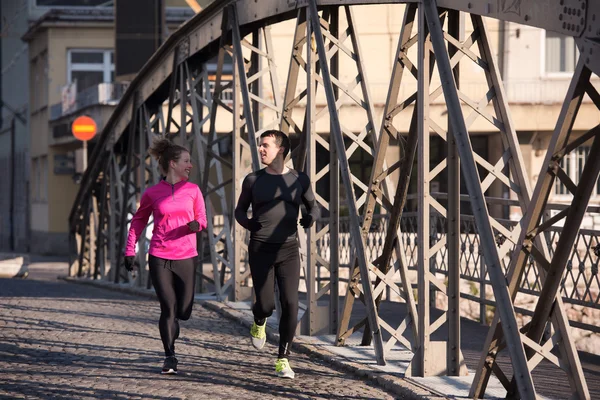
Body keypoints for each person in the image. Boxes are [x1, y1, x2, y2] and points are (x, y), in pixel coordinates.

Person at [234, 129, 319, 379]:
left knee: (291, 304)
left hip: (289, 249)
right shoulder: (253, 180)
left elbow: (314, 207)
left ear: (281, 149)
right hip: (260, 248)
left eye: (265, 145)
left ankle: (283, 358)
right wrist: (249, 224)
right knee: (266, 304)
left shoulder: (299, 179)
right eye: (260, 145)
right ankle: (259, 321)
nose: (260, 149)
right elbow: (240, 210)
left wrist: (310, 218)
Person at [124, 138, 207, 375]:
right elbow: (138, 221)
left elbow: (203, 219)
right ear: (173, 164)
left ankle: (174, 332)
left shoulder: (193, 190)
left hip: (186, 256)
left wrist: (195, 225)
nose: (190, 165)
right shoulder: (152, 193)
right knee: (168, 308)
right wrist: (130, 250)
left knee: (184, 311)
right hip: (159, 255)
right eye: (186, 161)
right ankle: (170, 356)